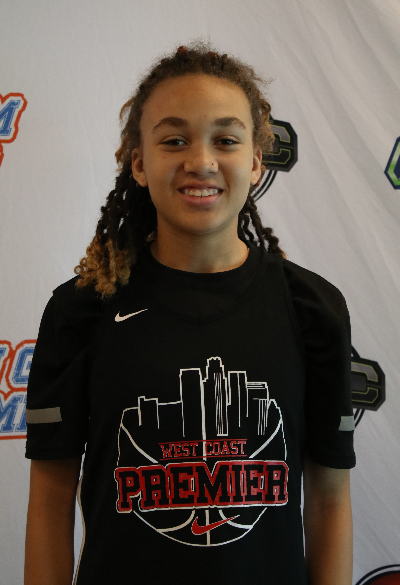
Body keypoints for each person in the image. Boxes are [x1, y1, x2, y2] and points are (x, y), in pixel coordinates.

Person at [24, 42, 355, 585]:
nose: (200, 161)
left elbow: (329, 500)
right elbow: (50, 500)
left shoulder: (312, 309)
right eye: (174, 140)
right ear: (138, 162)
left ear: (256, 161)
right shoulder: (81, 310)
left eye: (225, 140)